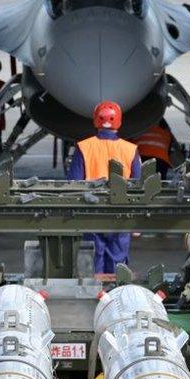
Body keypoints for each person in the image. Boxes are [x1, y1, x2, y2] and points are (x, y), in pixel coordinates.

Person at [67, 101, 141, 274]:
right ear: (119, 121)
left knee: (94, 264)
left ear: (95, 120)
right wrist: (136, 222)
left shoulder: (84, 147)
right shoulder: (130, 149)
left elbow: (73, 183)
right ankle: (115, 295)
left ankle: (97, 297)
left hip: (92, 214)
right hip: (121, 215)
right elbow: (138, 186)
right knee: (118, 265)